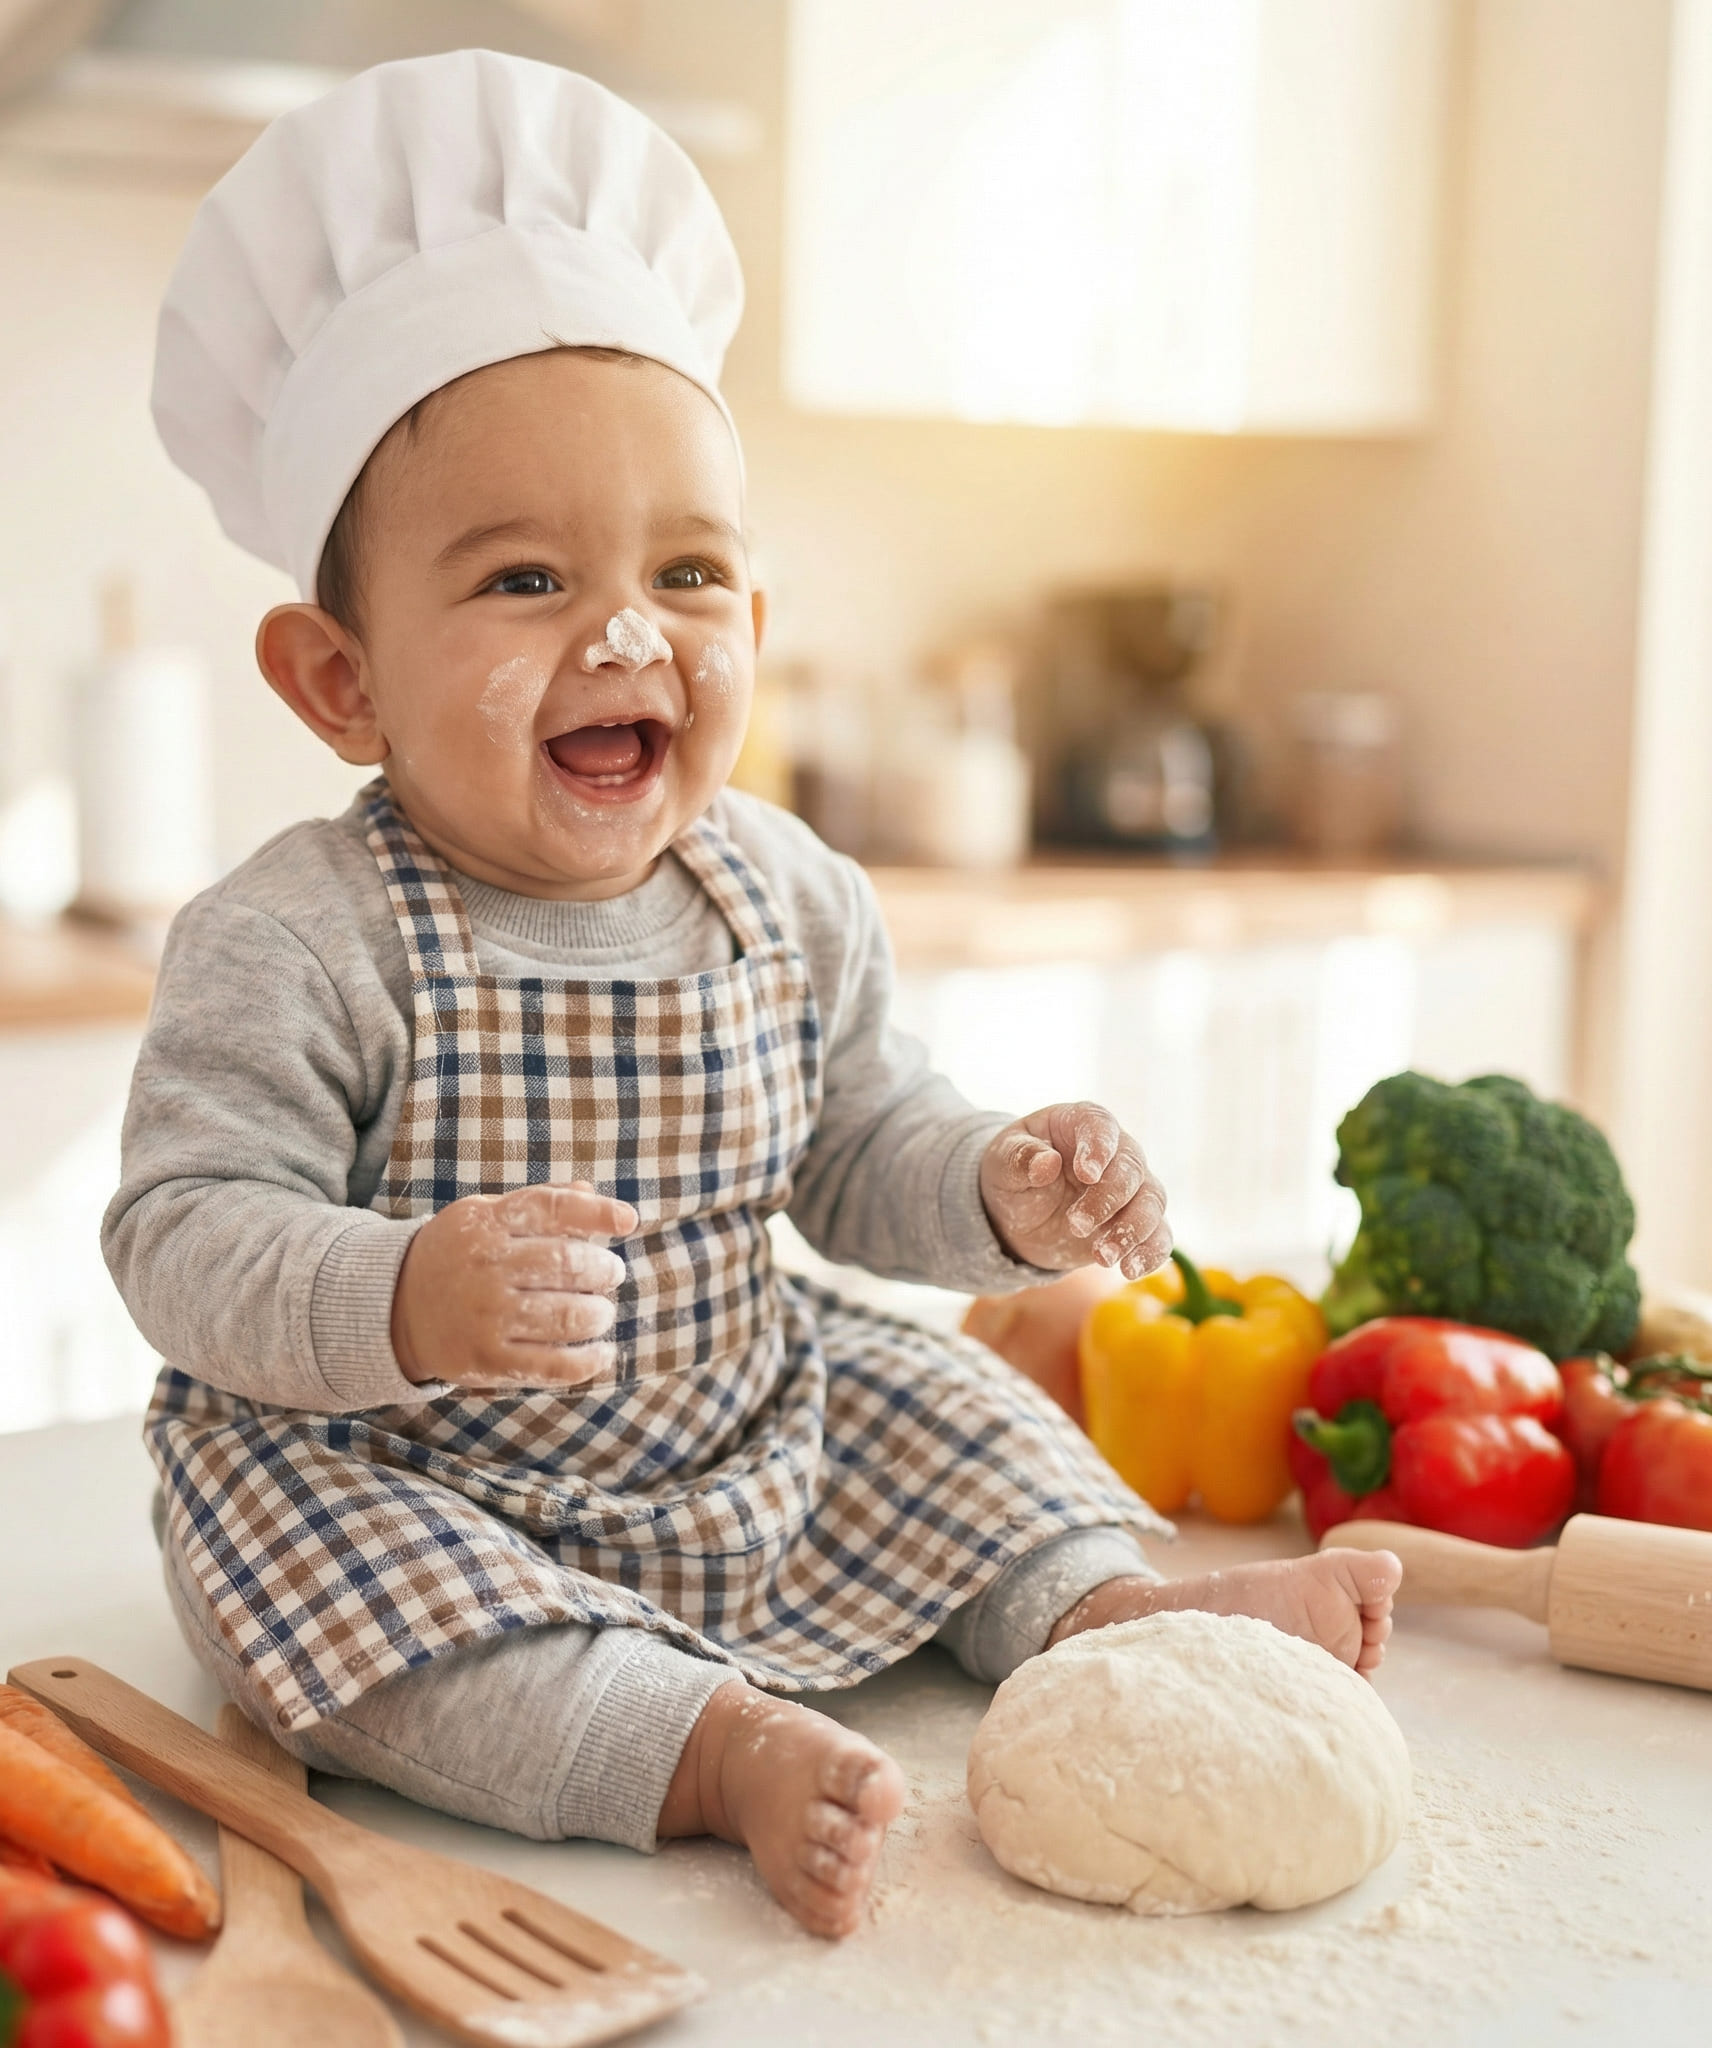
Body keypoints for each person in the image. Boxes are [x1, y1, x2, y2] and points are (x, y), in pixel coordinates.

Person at [108, 49, 1400, 1940]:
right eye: (528, 576)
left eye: (689, 570)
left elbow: (860, 1140)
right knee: (308, 1586)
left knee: (942, 1403)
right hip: (396, 1471)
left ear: (756, 628)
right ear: (339, 681)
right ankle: (703, 1746)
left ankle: (1113, 1615)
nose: (628, 633)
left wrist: (990, 1188)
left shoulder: (783, 887)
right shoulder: (299, 938)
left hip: (740, 1422)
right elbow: (179, 1233)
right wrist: (401, 1293)